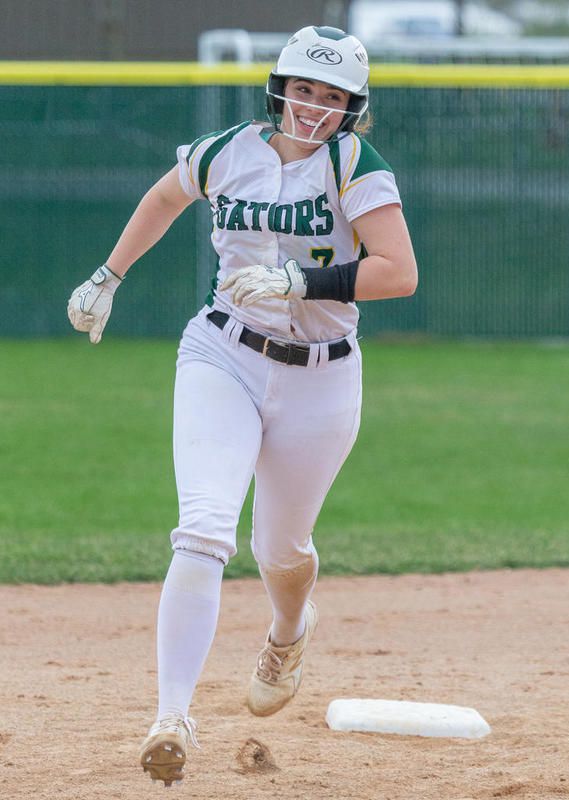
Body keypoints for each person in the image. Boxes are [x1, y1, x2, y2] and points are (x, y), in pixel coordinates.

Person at [67, 25, 417, 786]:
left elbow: (398, 273)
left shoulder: (354, 164)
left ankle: (289, 631)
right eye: (302, 89)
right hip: (221, 353)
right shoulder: (228, 151)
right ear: (277, 89)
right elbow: (164, 196)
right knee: (200, 529)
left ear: (351, 108)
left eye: (331, 97)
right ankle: (172, 716)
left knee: (281, 553)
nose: (312, 107)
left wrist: (301, 284)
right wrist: (109, 275)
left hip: (322, 376)